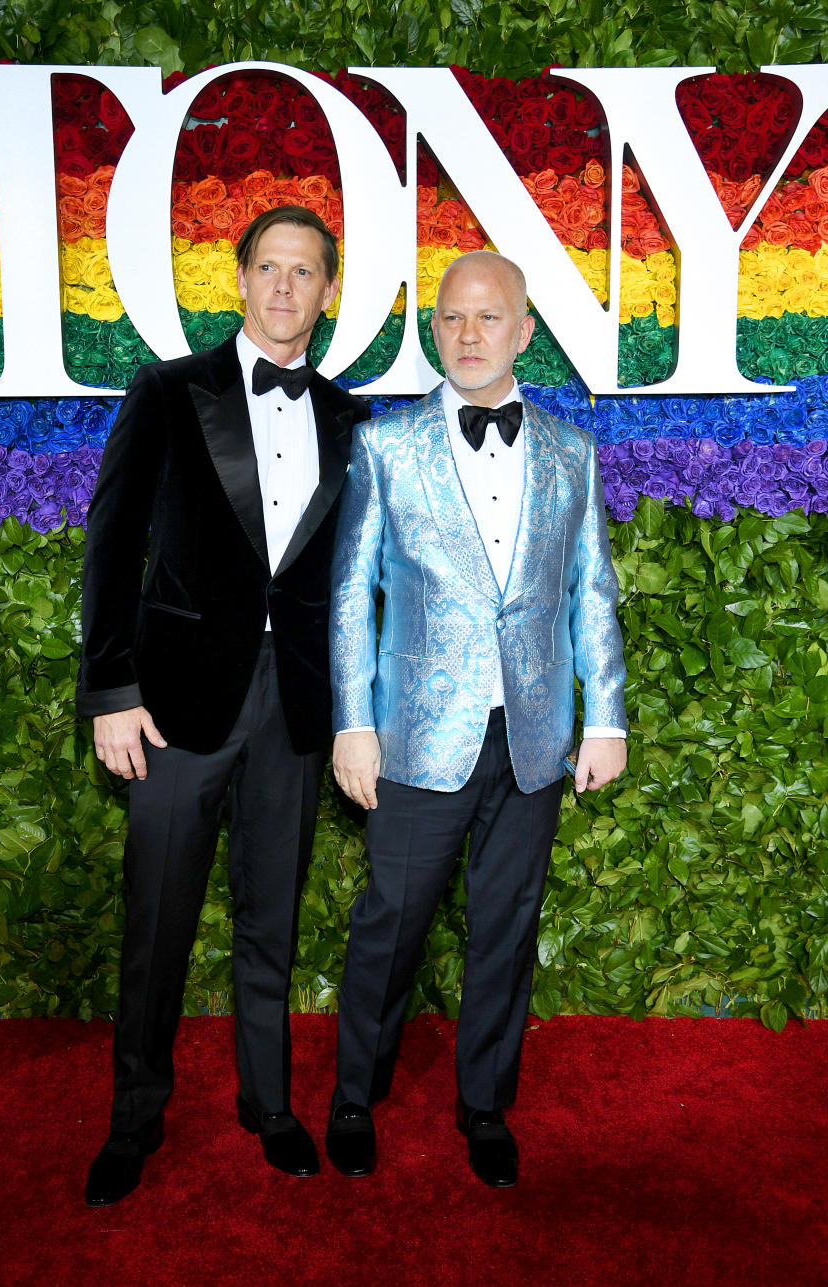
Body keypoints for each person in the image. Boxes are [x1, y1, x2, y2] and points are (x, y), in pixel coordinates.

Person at [77, 205, 369, 1205]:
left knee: (270, 921)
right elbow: (111, 547)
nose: (286, 288)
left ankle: (269, 1104)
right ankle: (134, 1120)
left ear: (328, 293)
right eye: (270, 268)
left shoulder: (348, 418)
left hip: (291, 712)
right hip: (169, 709)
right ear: (239, 278)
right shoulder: (166, 392)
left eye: (306, 272)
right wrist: (111, 690)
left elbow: (349, 581)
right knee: (157, 924)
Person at [325, 250, 627, 1188]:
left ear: (524, 331)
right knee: (393, 922)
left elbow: (590, 591)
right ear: (435, 329)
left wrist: (606, 717)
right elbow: (347, 596)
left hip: (534, 733)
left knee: (506, 922)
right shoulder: (385, 447)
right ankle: (352, 1093)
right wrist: (353, 722)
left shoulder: (573, 453)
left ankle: (485, 1103)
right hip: (417, 731)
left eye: (487, 318)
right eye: (452, 318)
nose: (466, 334)